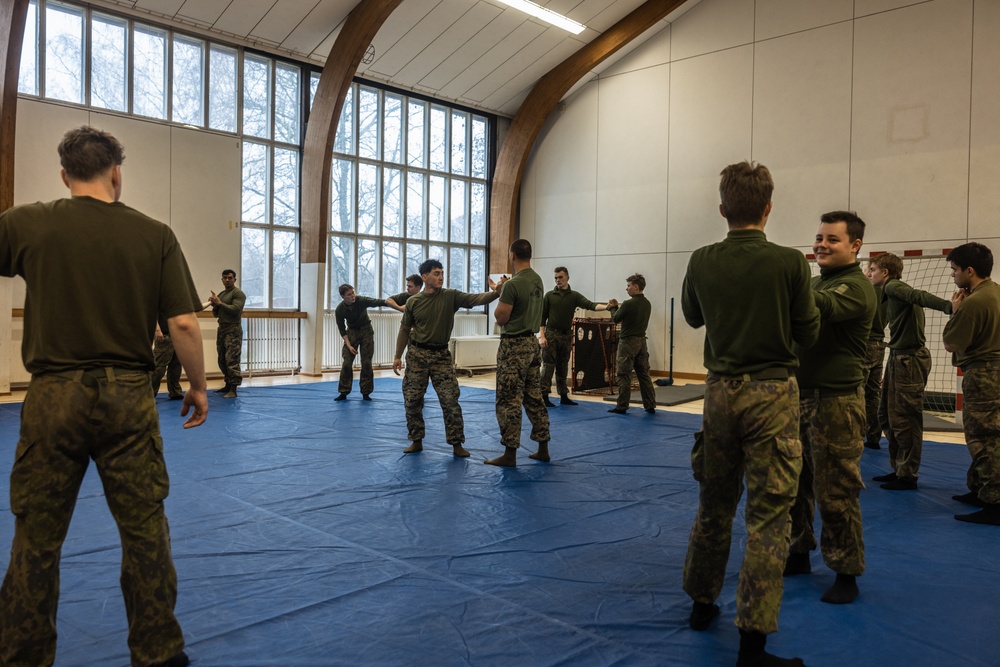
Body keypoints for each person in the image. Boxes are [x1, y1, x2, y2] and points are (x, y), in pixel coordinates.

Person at [0, 126, 207, 667]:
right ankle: (159, 653)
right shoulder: (154, 234)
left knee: (37, 536)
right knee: (144, 532)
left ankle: (21, 654)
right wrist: (200, 387)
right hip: (126, 397)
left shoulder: (28, 222)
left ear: (65, 175)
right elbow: (183, 323)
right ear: (117, 172)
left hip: (52, 397)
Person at [681, 161, 819, 667]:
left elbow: (694, 316)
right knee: (770, 516)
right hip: (772, 393)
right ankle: (753, 642)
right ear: (768, 208)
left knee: (714, 502)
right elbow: (808, 330)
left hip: (718, 393)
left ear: (722, 209)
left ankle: (700, 604)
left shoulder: (701, 259)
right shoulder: (788, 263)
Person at [785, 212, 876, 605]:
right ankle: (798, 550)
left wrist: (778, 277)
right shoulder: (821, 281)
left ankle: (845, 570)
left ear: (855, 245)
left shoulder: (856, 287)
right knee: (794, 484)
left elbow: (817, 304)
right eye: (819, 237)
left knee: (835, 489)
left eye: (832, 240)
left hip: (836, 402)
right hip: (800, 397)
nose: (821, 244)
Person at [393, 260, 504, 456]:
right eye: (436, 273)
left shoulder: (450, 296)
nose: (441, 277)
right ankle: (416, 440)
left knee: (450, 400)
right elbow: (404, 329)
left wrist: (496, 292)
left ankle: (456, 443)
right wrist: (397, 356)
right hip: (417, 355)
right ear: (425, 277)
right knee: (412, 399)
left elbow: (475, 299)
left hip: (441, 356)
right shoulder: (413, 302)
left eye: (442, 273)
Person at [868, 253, 952, 490]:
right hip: (897, 356)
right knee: (885, 414)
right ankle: (899, 468)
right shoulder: (889, 292)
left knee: (905, 418)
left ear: (885, 272)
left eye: (872, 269)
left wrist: (949, 307)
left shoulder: (894, 286)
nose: (869, 273)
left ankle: (908, 474)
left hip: (910, 360)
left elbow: (920, 296)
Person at [942, 243, 1000, 525]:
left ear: (970, 271)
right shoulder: (995, 292)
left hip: (985, 376)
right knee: (987, 436)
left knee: (985, 438)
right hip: (993, 372)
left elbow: (951, 343)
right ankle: (980, 489)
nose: (953, 276)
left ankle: (995, 502)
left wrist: (955, 310)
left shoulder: (974, 303)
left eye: (955, 270)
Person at [485, 240, 552, 467]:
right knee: (533, 396)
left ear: (512, 255)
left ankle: (509, 453)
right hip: (531, 343)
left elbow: (501, 317)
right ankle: (543, 447)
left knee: (508, 400)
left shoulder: (514, 284)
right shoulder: (537, 280)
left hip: (513, 346)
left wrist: (502, 292)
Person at [538, 267, 612, 407]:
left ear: (567, 278)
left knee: (563, 366)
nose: (558, 280)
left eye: (560, 277)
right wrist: (542, 336)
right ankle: (544, 395)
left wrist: (607, 307)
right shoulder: (549, 295)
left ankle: (563, 395)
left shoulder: (574, 296)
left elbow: (590, 305)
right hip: (551, 334)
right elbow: (542, 317)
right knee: (548, 366)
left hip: (566, 335)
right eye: (556, 278)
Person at [606, 274, 655, 415]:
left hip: (627, 342)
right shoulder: (647, 303)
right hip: (641, 341)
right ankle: (650, 404)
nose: (626, 288)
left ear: (636, 287)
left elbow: (616, 319)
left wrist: (613, 307)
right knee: (643, 374)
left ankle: (622, 406)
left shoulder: (628, 303)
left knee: (623, 374)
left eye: (628, 286)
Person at [334, 284, 387, 401]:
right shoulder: (340, 310)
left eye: (353, 293)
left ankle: (366, 392)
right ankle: (344, 391)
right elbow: (342, 330)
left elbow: (378, 302)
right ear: (343, 297)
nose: (353, 296)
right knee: (347, 362)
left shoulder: (361, 301)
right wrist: (348, 345)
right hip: (352, 333)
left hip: (366, 330)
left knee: (366, 362)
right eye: (349, 294)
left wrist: (397, 305)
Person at [862, 261, 888, 449]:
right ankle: (873, 436)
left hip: (865, 343)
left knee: (857, 391)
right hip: (879, 344)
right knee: (872, 393)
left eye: (871, 269)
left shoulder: (867, 290)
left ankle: (853, 435)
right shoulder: (887, 292)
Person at [208, 269, 245, 398]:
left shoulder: (238, 293)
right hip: (222, 328)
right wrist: (215, 305)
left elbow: (235, 310)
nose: (227, 280)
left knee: (232, 359)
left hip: (233, 329)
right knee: (222, 359)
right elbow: (216, 314)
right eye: (225, 278)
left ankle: (233, 389)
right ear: (222, 280)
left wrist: (220, 303)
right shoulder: (222, 294)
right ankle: (228, 384)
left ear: (235, 279)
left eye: (230, 278)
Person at [151, 321, 185, 400]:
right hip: (164, 333)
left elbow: (193, 309)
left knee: (176, 365)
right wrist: (157, 330)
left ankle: (175, 392)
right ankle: (150, 394)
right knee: (159, 367)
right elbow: (153, 312)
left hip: (179, 333)